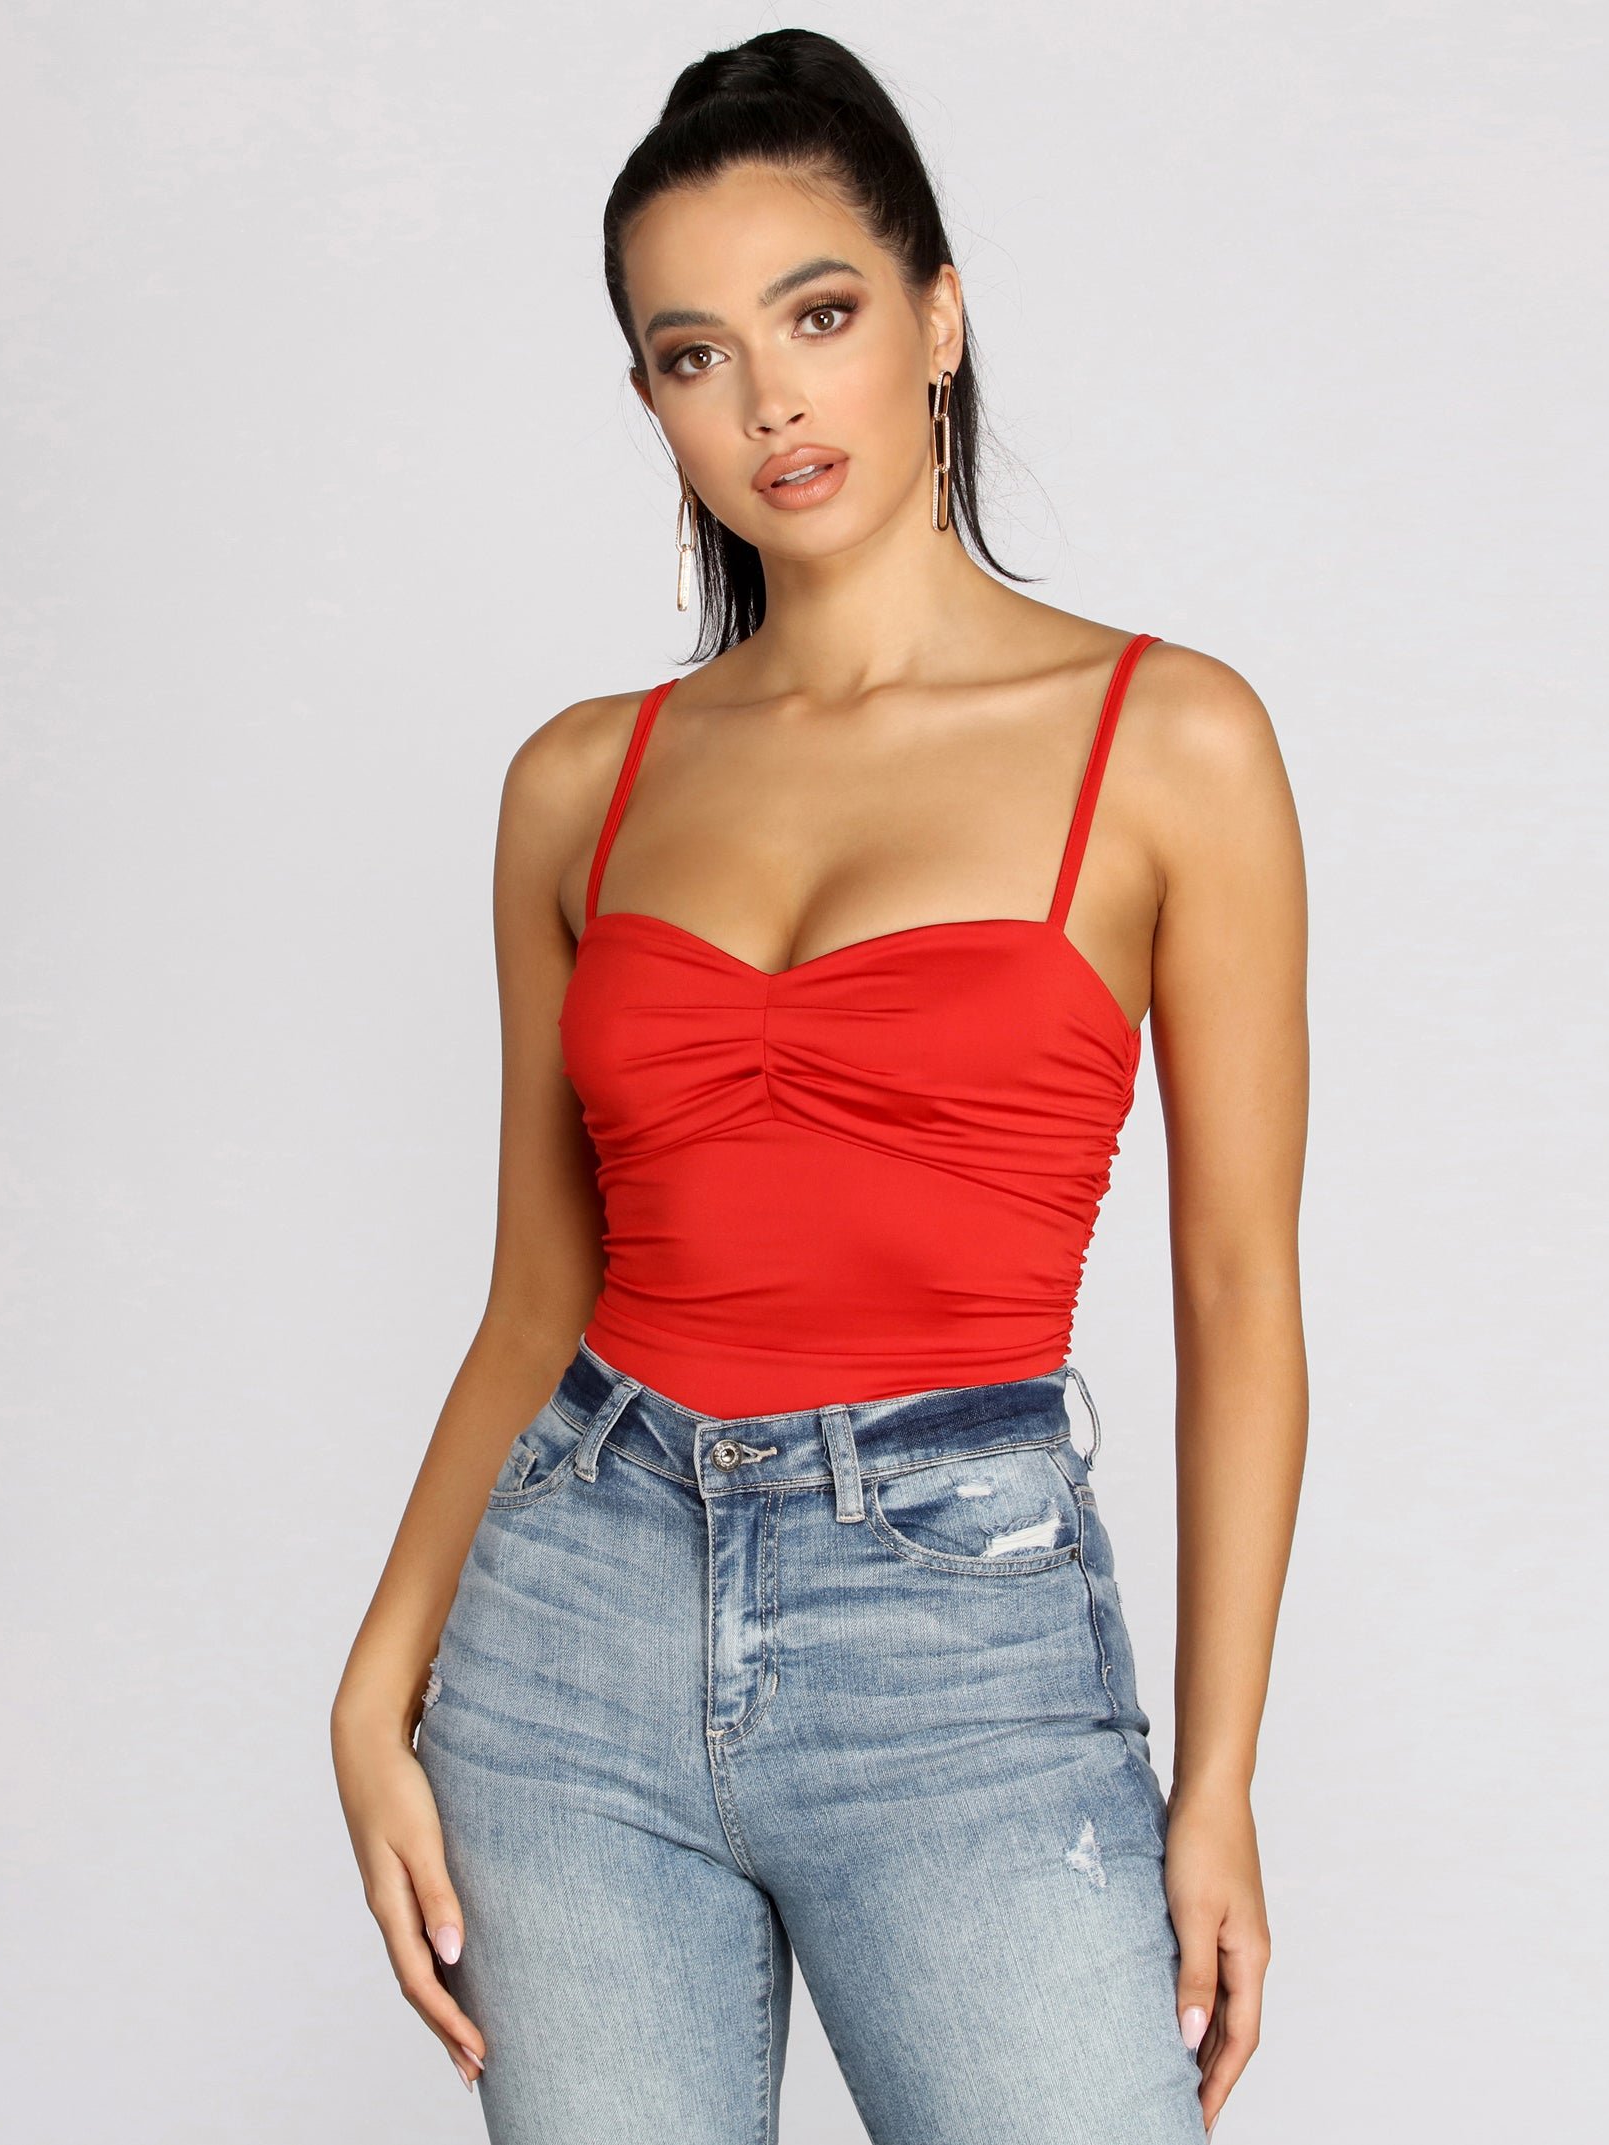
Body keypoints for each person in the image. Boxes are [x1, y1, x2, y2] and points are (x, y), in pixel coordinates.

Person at [331, 29, 1307, 2143]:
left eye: (821, 316)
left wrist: (1218, 1777)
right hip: (569, 1638)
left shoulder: (1168, 743)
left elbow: (1238, 1295)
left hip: (960, 1657)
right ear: (649, 402)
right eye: (695, 355)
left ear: (937, 319)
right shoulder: (579, 784)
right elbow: (536, 1295)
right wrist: (372, 1676)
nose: (770, 401)